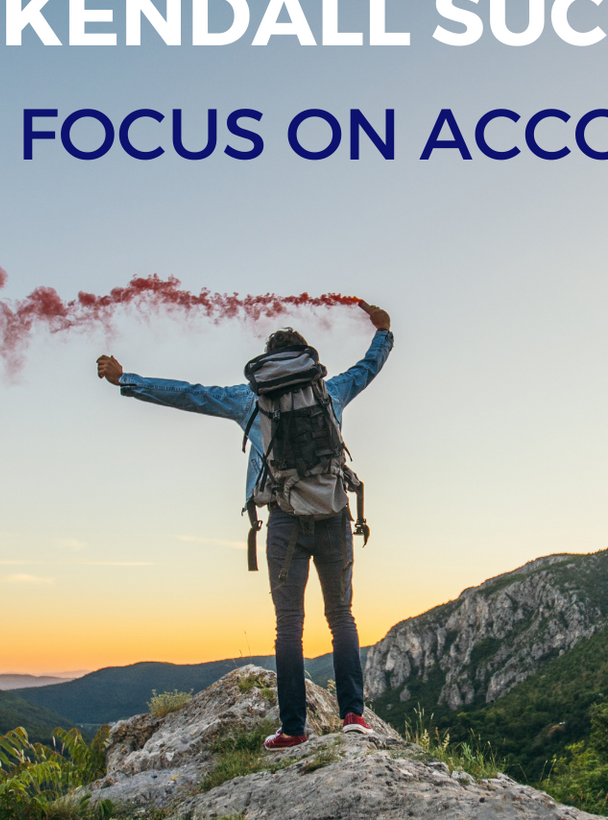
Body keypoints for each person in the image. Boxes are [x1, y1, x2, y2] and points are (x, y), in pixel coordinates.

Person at [96, 302, 393, 751]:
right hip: (333, 516)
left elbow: (189, 394)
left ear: (269, 364)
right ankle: (354, 715)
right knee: (342, 618)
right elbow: (369, 365)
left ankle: (294, 729)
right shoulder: (330, 390)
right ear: (305, 361)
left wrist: (127, 380)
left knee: (289, 625)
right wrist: (384, 331)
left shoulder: (249, 398)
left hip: (284, 522)